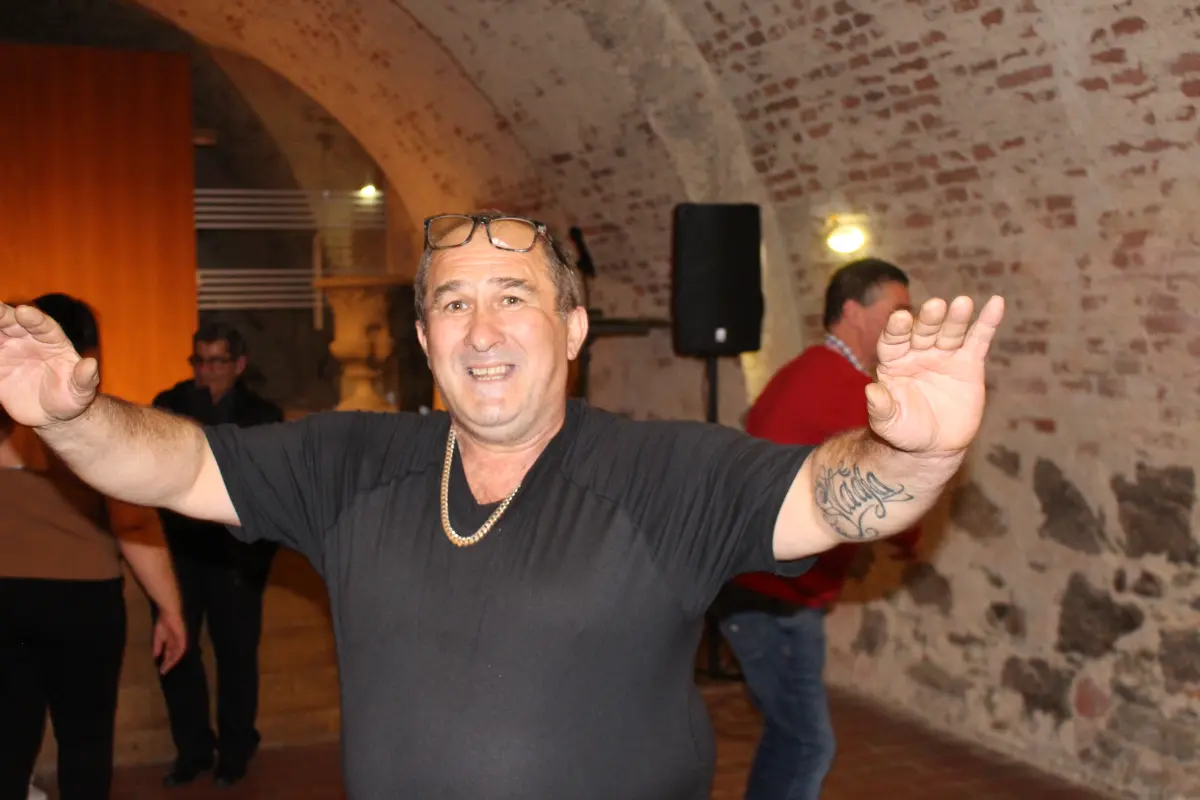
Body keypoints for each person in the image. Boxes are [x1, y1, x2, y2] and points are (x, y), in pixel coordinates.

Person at [0, 211, 1005, 800]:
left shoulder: (661, 473)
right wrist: (69, 416)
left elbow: (831, 498)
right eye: (453, 302)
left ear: (573, 328)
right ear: (426, 340)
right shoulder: (352, 462)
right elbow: (175, 468)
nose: (482, 330)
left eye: (513, 297)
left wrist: (916, 451)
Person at [718, 258, 924, 800]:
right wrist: (910, 536)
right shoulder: (844, 389)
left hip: (761, 590)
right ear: (853, 311)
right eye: (898, 311)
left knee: (792, 738)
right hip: (774, 596)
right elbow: (889, 488)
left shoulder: (800, 371)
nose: (906, 323)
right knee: (807, 744)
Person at [0, 293, 187, 800]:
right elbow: (135, 525)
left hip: (5, 599)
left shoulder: (7, 415)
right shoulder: (93, 426)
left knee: (7, 744)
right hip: (82, 601)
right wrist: (170, 609)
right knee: (85, 745)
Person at [151, 323, 284, 787]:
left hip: (236, 558)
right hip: (179, 553)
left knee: (237, 657)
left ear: (239, 365)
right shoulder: (170, 404)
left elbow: (269, 485)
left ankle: (235, 749)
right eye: (199, 361)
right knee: (177, 654)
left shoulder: (262, 414)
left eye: (216, 361)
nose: (206, 371)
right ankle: (192, 750)